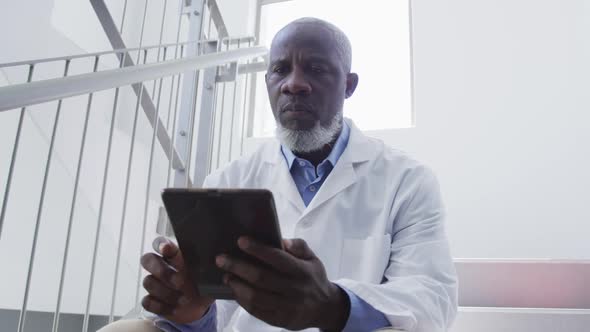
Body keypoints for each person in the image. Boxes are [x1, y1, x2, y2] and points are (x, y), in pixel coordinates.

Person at [106, 17, 457, 332]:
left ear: (349, 85)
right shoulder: (228, 180)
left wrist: (332, 306)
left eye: (316, 69)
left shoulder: (407, 181)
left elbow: (431, 300)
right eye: (280, 69)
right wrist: (191, 311)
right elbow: (217, 320)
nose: (294, 84)